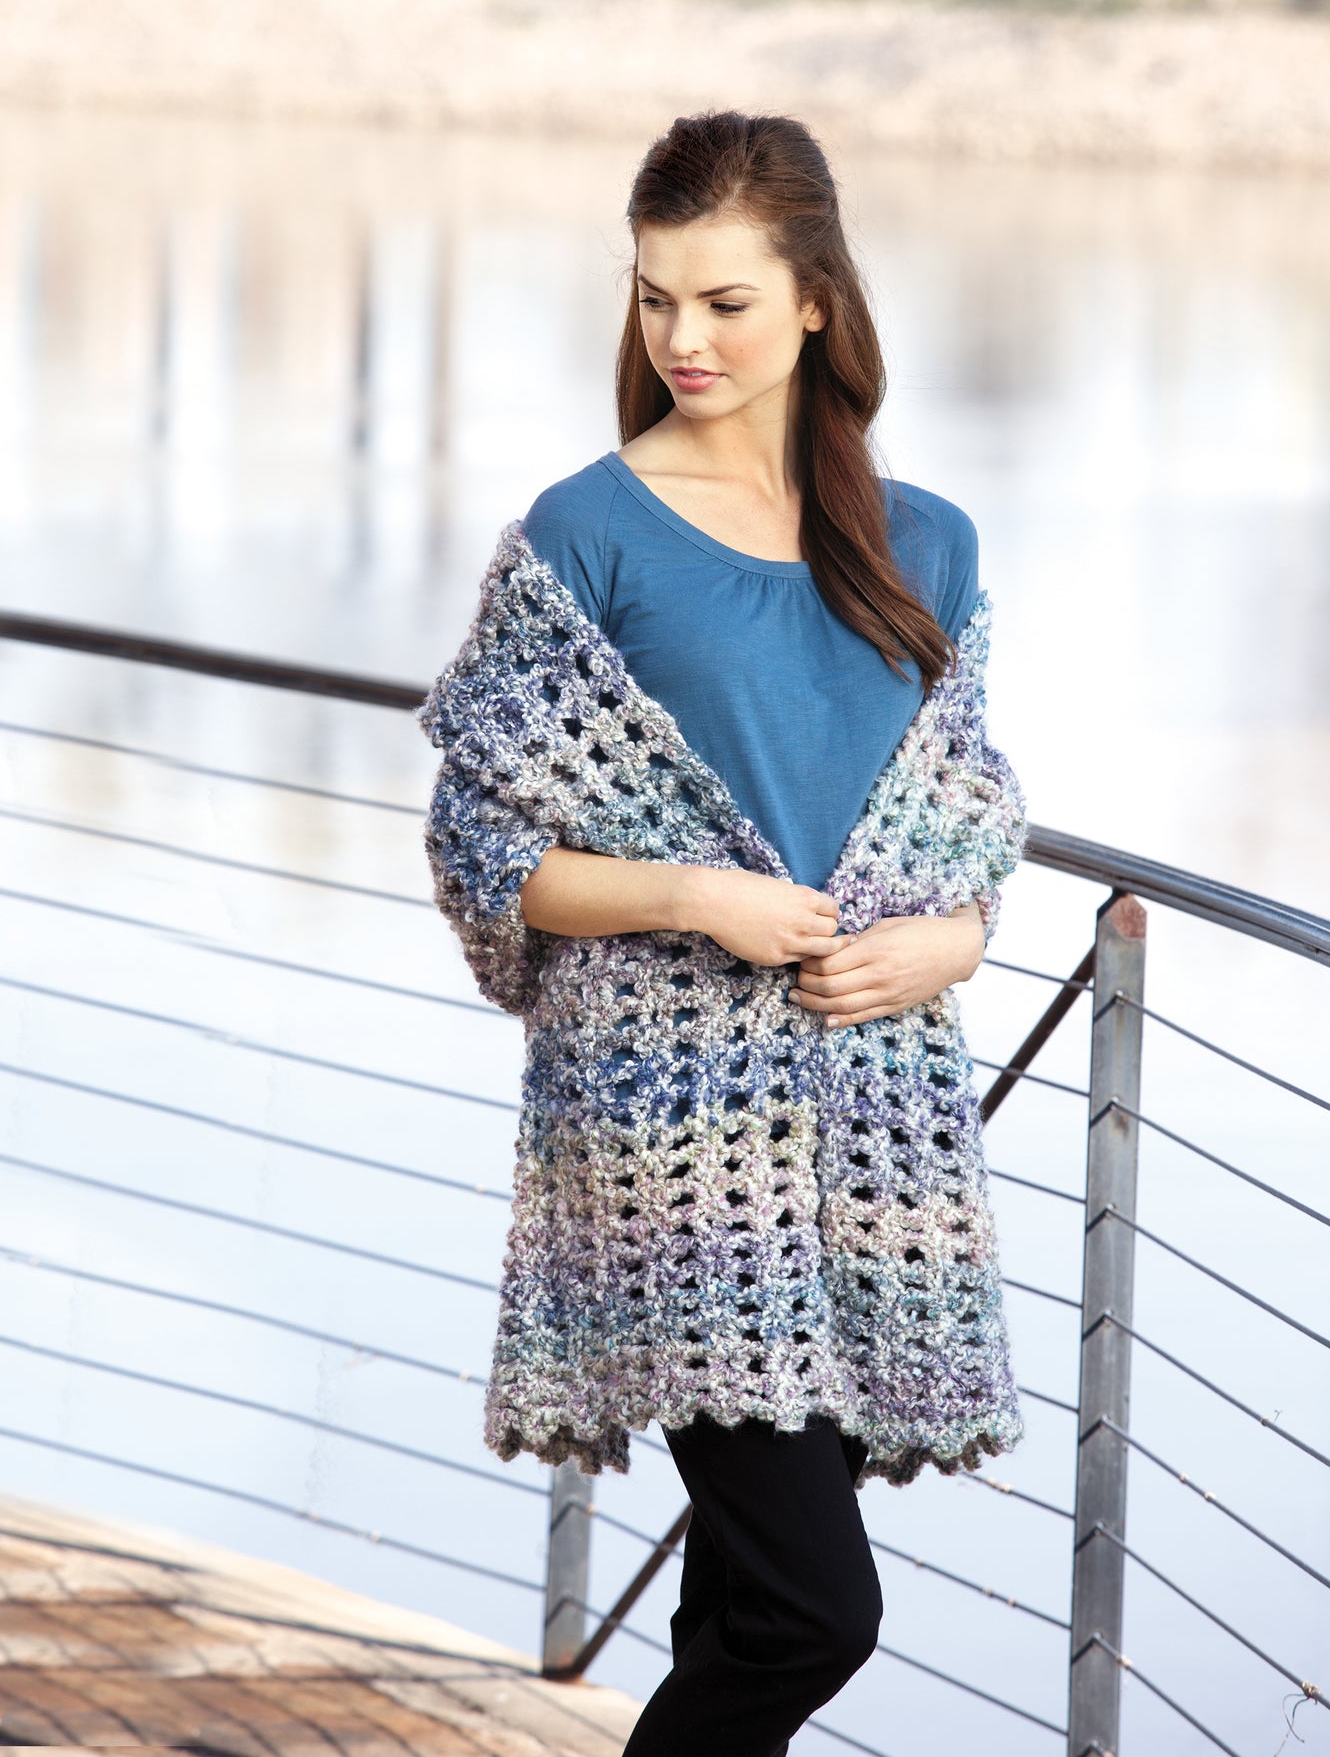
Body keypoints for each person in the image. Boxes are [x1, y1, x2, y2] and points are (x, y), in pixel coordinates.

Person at [414, 111, 1030, 1754]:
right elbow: (488, 851)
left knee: (742, 1607)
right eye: (652, 299)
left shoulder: (934, 546)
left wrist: (949, 946)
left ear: (816, 300)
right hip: (668, 1139)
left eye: (723, 303)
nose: (681, 340)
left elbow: (962, 835)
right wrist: (699, 897)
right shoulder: (586, 539)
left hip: (874, 1130)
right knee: (816, 1615)